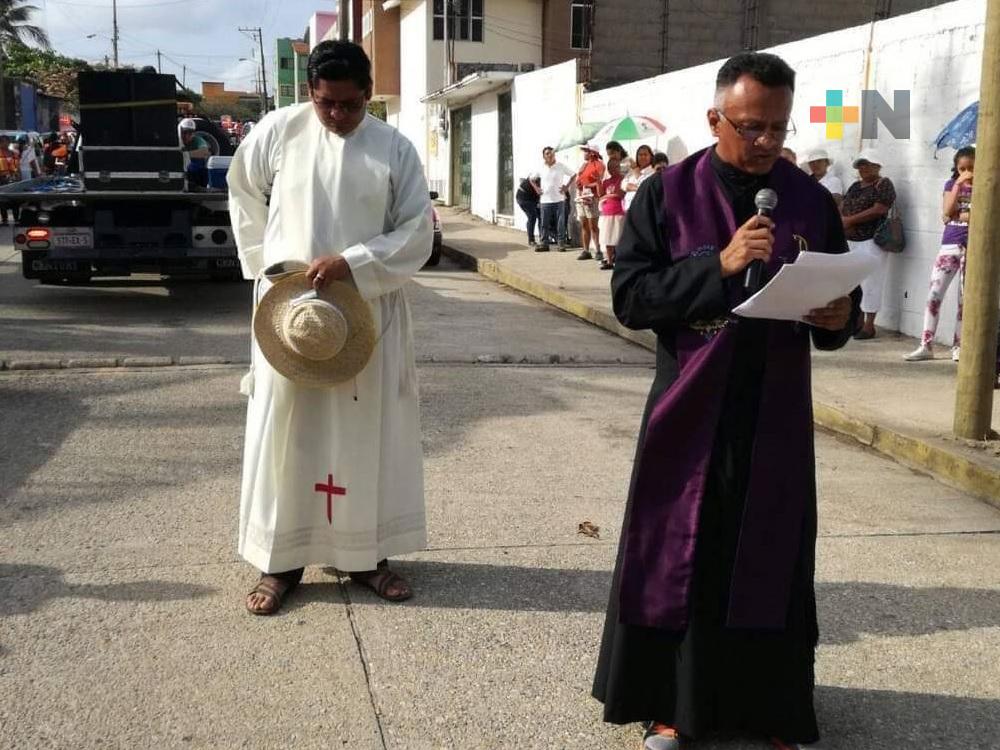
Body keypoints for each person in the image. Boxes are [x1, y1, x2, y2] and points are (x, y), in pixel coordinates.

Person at [592, 51, 859, 750]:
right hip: (690, 407)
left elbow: (839, 294)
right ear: (715, 119)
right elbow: (631, 298)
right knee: (684, 554)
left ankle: (769, 710)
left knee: (771, 555)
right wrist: (721, 265)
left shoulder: (809, 200)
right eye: (750, 127)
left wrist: (840, 316)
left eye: (778, 127)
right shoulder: (665, 194)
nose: (766, 141)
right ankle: (670, 706)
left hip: (774, 412)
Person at [228, 40, 432, 615]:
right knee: (286, 430)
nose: (337, 115)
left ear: (368, 94)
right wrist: (265, 268)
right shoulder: (278, 130)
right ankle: (280, 560)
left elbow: (417, 230)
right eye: (326, 103)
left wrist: (355, 263)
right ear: (309, 93)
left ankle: (366, 556)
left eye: (349, 104)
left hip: (366, 312)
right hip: (291, 318)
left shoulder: (393, 148)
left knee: (364, 431)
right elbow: (243, 192)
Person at [905, 146, 975, 362]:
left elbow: (977, 216)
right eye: (962, 168)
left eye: (971, 168)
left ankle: (959, 346)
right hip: (951, 243)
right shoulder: (951, 184)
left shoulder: (986, 185)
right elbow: (946, 212)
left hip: (974, 246)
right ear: (956, 168)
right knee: (934, 295)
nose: (967, 172)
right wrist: (958, 185)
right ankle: (926, 344)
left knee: (965, 299)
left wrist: (958, 215)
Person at [842, 151, 896, 339]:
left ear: (877, 166)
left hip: (871, 240)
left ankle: (869, 325)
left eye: (867, 164)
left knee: (872, 282)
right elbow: (844, 204)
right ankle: (856, 321)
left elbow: (880, 209)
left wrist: (850, 220)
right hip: (851, 240)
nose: (863, 168)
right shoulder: (855, 186)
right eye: (860, 165)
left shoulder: (883, 184)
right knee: (853, 282)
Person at [537, 146, 574, 252]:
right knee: (544, 223)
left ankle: (561, 244)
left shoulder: (560, 166)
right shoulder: (540, 167)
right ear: (544, 156)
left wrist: (566, 187)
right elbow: (531, 179)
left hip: (559, 200)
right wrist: (537, 189)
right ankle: (544, 244)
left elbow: (573, 175)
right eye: (547, 153)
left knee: (560, 224)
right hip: (545, 200)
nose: (550, 155)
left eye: (551, 153)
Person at [576, 144, 605, 260]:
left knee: (593, 225)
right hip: (582, 197)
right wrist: (579, 183)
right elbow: (580, 179)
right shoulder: (584, 165)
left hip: (592, 198)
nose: (584, 153)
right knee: (584, 224)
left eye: (586, 151)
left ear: (592, 153)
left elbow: (600, 181)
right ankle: (586, 250)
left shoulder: (599, 165)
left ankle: (598, 250)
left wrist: (588, 185)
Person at [597, 152, 626, 270]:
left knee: (619, 238)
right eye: (611, 167)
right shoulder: (606, 182)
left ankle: (620, 261)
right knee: (607, 238)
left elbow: (620, 194)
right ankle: (609, 261)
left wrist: (607, 196)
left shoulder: (623, 179)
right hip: (606, 212)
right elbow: (600, 195)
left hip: (619, 212)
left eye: (616, 167)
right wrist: (598, 182)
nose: (614, 169)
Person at [623, 145, 655, 212]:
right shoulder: (631, 171)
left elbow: (645, 186)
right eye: (640, 155)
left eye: (645, 155)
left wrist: (636, 171)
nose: (643, 157)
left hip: (643, 210)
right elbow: (623, 185)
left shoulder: (653, 172)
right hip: (628, 209)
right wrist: (637, 188)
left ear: (651, 157)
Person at [516, 172, 542, 247]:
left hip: (533, 199)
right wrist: (536, 188)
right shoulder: (536, 175)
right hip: (523, 198)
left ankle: (542, 238)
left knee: (540, 216)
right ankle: (531, 240)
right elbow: (531, 179)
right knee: (532, 217)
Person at [0, 135, 18, 225]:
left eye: (7, 141)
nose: (5, 143)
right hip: (1, 180)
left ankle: (17, 219)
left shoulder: (14, 153)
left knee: (15, 199)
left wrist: (18, 178)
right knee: (2, 200)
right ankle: (5, 219)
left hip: (13, 180)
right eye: (3, 141)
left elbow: (17, 167)